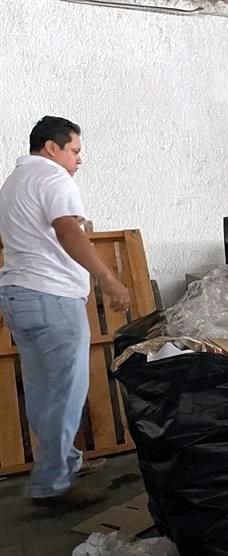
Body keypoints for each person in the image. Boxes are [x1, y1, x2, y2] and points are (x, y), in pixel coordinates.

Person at [0, 116, 131, 507]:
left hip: (19, 294)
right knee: (67, 392)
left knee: (44, 390)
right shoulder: (55, 179)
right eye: (75, 150)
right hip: (50, 297)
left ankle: (63, 462)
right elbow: (68, 231)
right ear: (52, 148)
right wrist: (108, 279)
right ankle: (52, 484)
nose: (79, 159)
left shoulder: (13, 183)